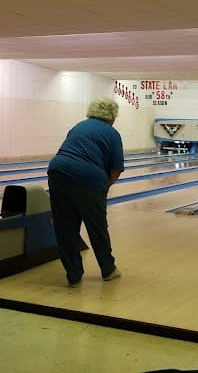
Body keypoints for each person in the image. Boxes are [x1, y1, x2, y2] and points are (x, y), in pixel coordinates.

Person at [47, 98, 124, 287]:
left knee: (65, 227)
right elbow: (116, 169)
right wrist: (103, 188)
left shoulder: (78, 126)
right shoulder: (112, 133)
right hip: (89, 177)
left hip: (57, 170)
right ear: (113, 116)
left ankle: (73, 275)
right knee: (96, 225)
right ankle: (108, 269)